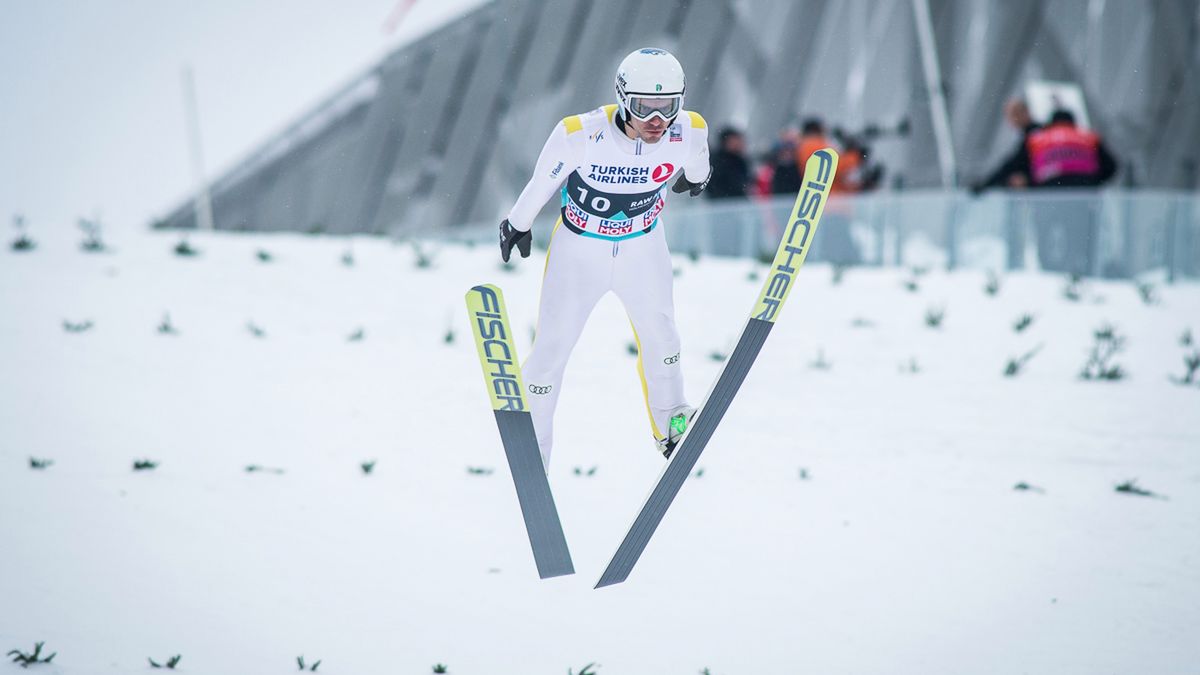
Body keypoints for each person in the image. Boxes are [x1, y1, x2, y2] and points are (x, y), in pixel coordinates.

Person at [498, 47, 711, 465]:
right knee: (551, 350)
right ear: (621, 98)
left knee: (664, 338)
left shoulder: (690, 130)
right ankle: (533, 451)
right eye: (643, 108)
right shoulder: (580, 133)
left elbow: (699, 164)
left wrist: (699, 179)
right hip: (580, 253)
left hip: (643, 248)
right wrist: (517, 223)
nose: (656, 121)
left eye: (667, 107)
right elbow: (541, 182)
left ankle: (670, 423)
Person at [706, 127, 751, 199]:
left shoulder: (740, 161)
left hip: (736, 204)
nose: (739, 143)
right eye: (735, 140)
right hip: (722, 204)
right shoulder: (717, 162)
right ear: (726, 142)